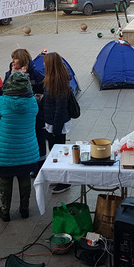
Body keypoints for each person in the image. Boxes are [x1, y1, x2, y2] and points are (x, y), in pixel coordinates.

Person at [0, 71, 40, 221]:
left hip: (5, 150)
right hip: (26, 149)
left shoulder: (2, 101)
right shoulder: (32, 102)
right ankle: (24, 209)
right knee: (24, 179)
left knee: (5, 179)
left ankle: (5, 211)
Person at [0, 49, 46, 176]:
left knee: (37, 137)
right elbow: (6, 90)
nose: (12, 62)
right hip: (14, 115)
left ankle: (39, 166)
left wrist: (38, 97)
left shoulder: (35, 74)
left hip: (33, 114)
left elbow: (44, 90)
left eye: (14, 59)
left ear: (21, 59)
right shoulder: (8, 74)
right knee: (21, 140)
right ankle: (23, 166)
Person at [41, 52, 76, 194]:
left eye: (45, 62)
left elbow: (60, 109)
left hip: (56, 124)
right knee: (55, 152)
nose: (43, 64)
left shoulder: (59, 83)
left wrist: (56, 128)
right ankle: (58, 177)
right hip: (52, 122)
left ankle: (64, 181)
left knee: (60, 152)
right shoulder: (53, 80)